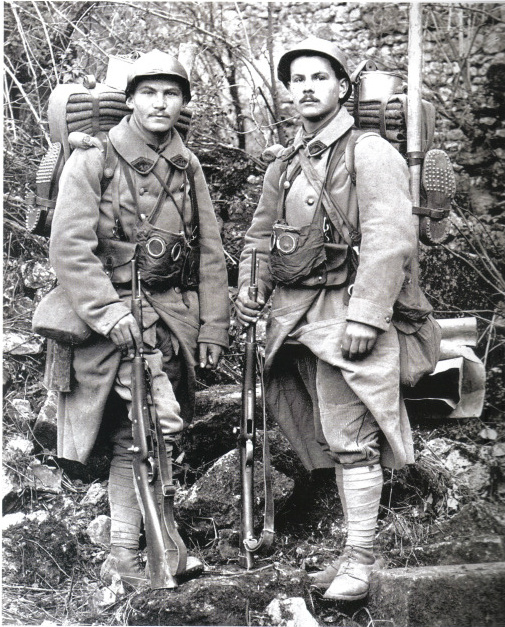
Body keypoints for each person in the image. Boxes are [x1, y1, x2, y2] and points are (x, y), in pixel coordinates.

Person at [236, 37, 435, 601]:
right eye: (297, 79)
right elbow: (259, 237)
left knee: (351, 438)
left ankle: (361, 561)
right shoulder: (287, 161)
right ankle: (350, 554)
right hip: (296, 317)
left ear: (343, 88)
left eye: (319, 77)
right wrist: (251, 288)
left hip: (347, 313)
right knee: (327, 435)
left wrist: (368, 317)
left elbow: (390, 240)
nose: (306, 87)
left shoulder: (368, 152)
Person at [49, 49, 230, 586]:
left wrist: (214, 326)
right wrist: (107, 313)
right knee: (154, 426)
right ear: (129, 100)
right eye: (148, 92)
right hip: (113, 318)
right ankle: (138, 552)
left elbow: (210, 251)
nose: (160, 102)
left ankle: (138, 551)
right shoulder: (94, 158)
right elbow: (70, 247)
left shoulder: (187, 163)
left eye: (171, 93)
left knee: (145, 435)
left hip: (173, 318)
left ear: (183, 103)